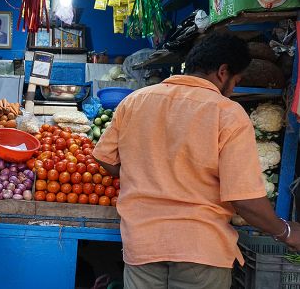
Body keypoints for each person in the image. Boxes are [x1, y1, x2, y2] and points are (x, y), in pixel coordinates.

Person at [92, 32, 300, 289]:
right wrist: (286, 232)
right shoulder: (228, 114)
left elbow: (104, 158)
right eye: (236, 81)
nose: (233, 89)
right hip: (202, 250)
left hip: (142, 244)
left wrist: (143, 171)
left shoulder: (135, 101)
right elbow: (244, 200)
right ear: (223, 72)